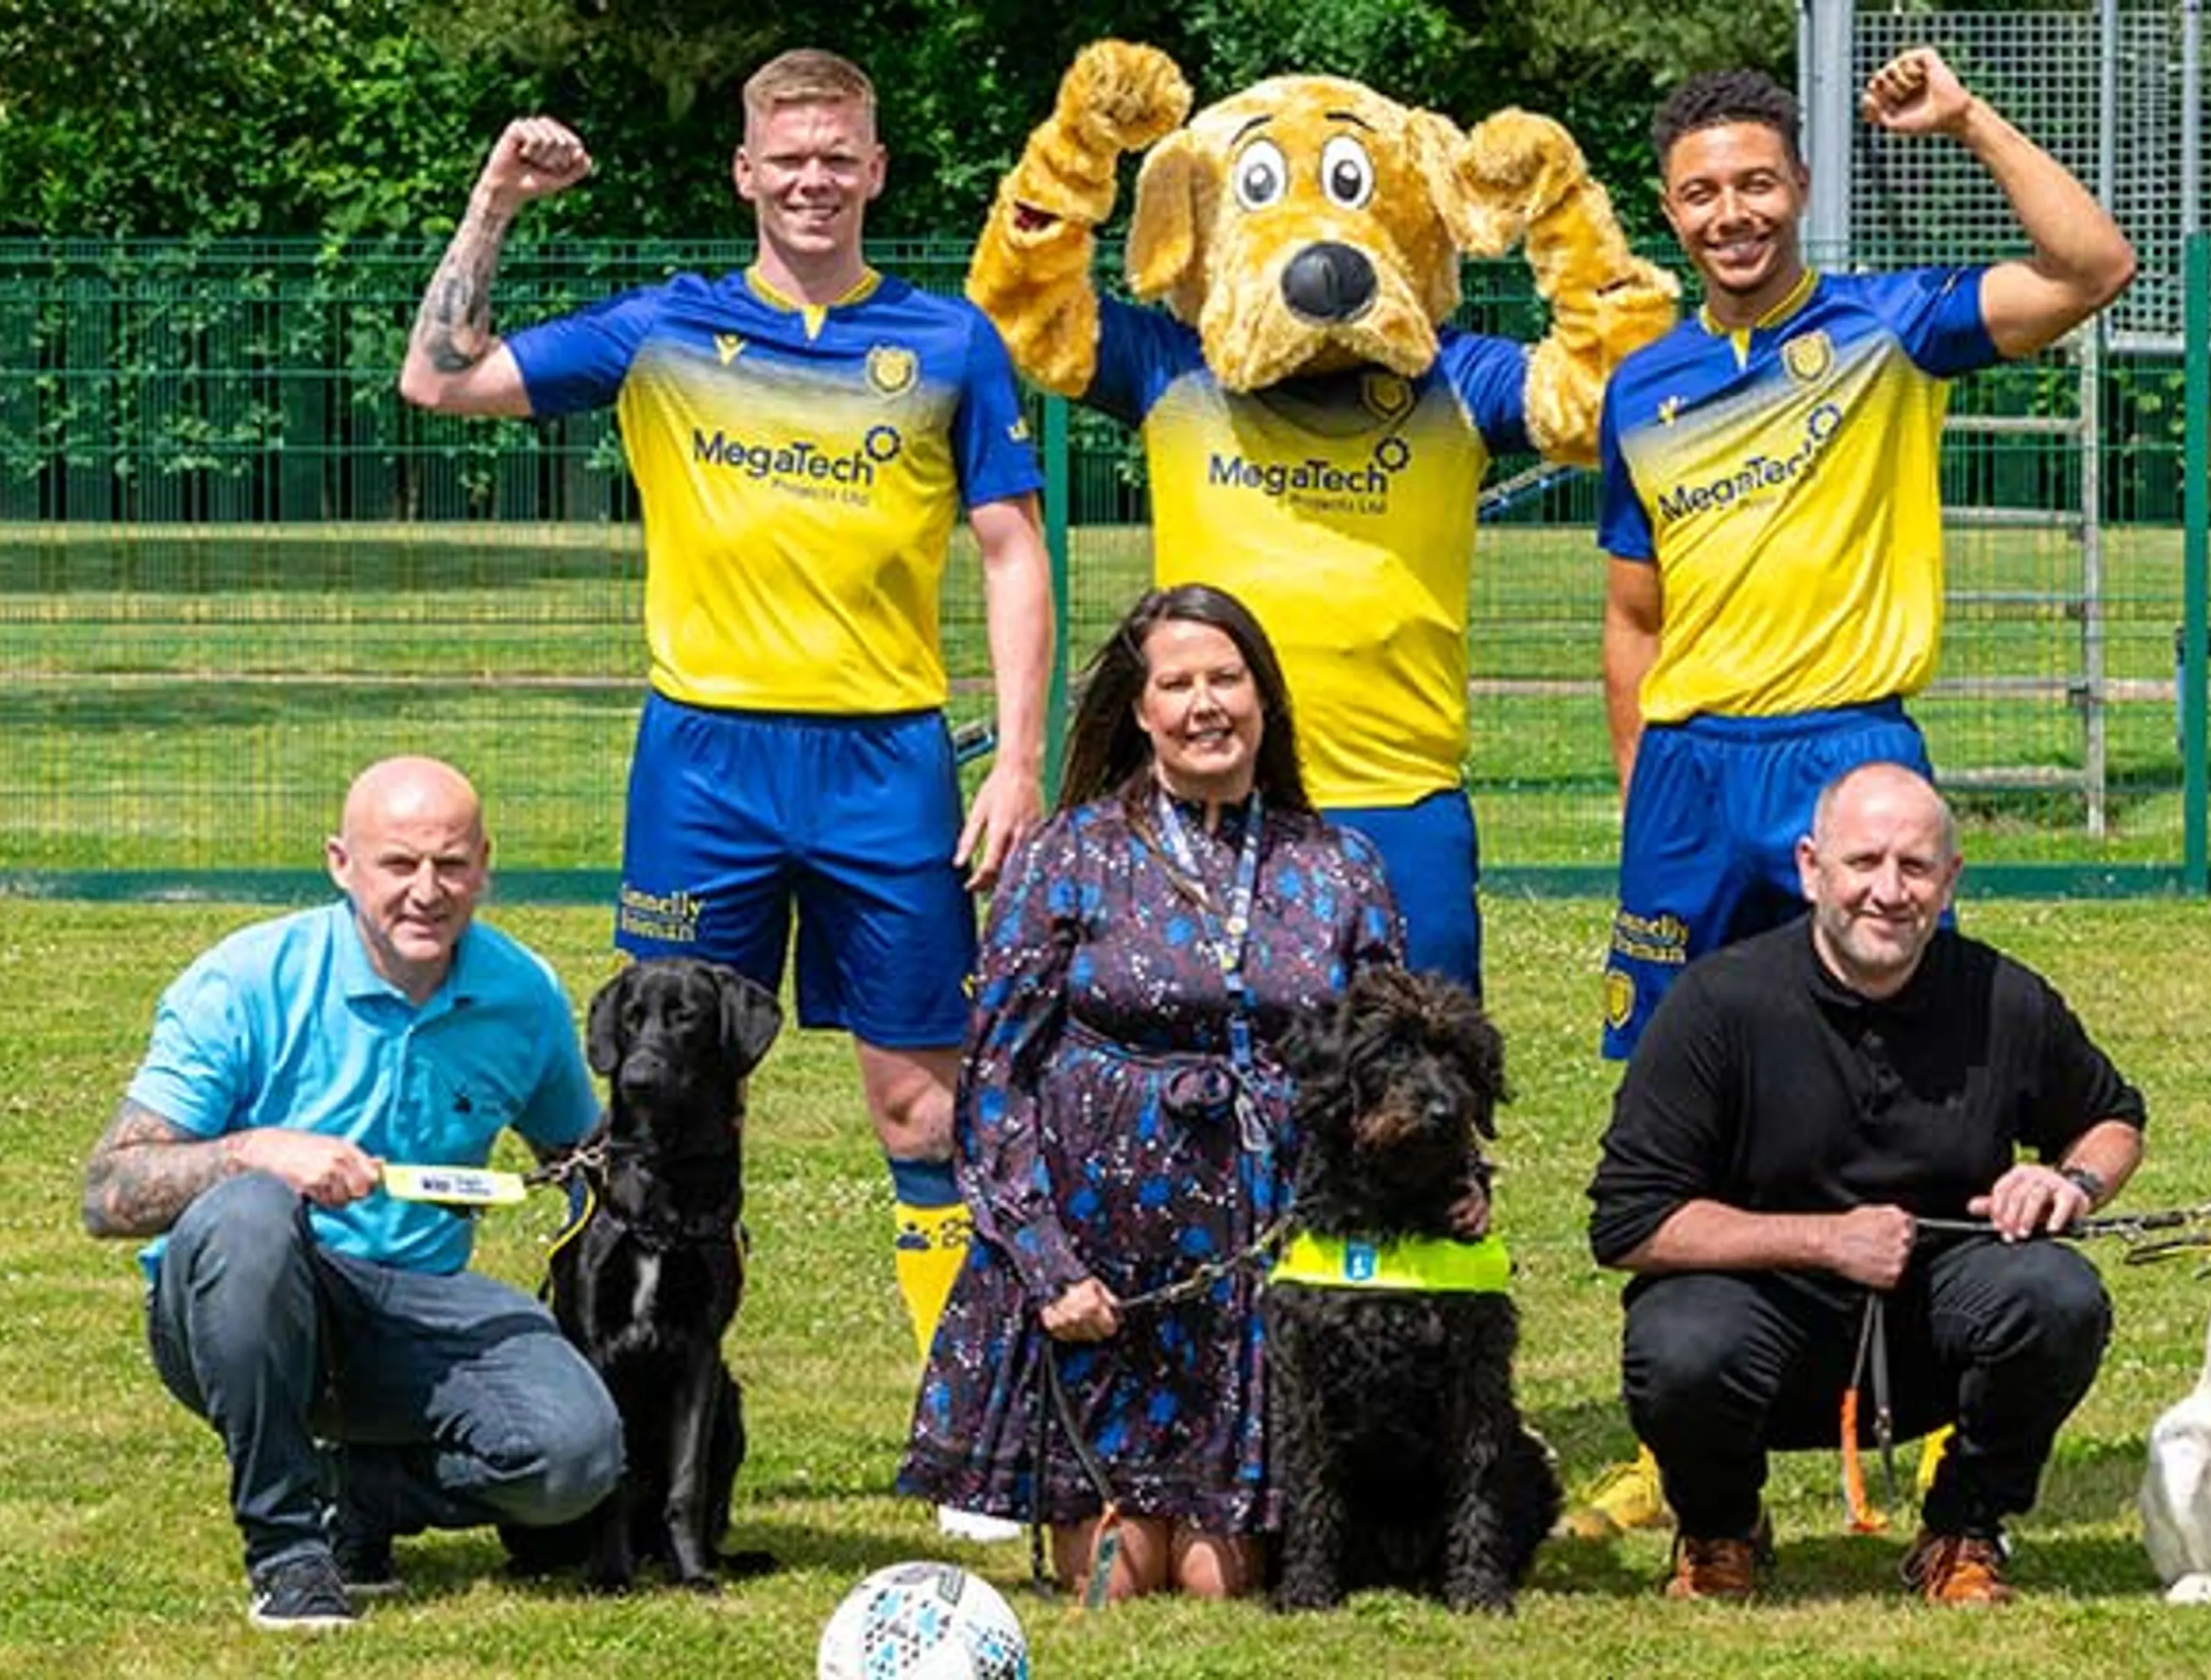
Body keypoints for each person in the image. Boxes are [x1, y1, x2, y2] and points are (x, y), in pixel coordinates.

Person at [395, 49, 1057, 1397]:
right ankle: (640, 1413)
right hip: (705, 763)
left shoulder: (948, 342)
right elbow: (437, 378)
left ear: (874, 172)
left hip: (890, 762)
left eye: (838, 158)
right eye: (788, 158)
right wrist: (496, 201)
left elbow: (1010, 548)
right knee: (667, 1098)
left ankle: (962, 1426)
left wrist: (1022, 757)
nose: (814, 181)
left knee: (924, 1106)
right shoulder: (665, 330)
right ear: (746, 172)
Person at [1571, 48, 2138, 1542]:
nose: (1732, 214)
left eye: (1757, 182)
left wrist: (1964, 122)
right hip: (1689, 773)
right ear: (1670, 210)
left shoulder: (1888, 327)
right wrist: (1648, 792)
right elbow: (1634, 617)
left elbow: (2094, 264)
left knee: (1897, 1047)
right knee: (1666, 1094)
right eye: (1701, 193)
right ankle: (1687, 1440)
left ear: (1801, 187)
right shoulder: (1645, 381)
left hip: (1844, 746)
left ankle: (1937, 1349)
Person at [899, 584, 1403, 1601]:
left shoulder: (1341, 867)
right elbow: (996, 1082)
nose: (1205, 704)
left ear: (1266, 699)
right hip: (1102, 1282)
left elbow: (1393, 1069)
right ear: (1140, 710)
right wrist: (1047, 1271)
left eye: (1228, 678)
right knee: (1117, 1583)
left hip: (1266, 1276)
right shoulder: (1067, 856)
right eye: (1178, 683)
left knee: (1221, 1583)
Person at [1583, 762, 2146, 1604]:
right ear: (1812, 868)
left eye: (1915, 867)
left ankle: (1963, 1528)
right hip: (1756, 1314)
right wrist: (1825, 1240)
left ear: (1950, 879)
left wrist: (2070, 1183)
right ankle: (1721, 1529)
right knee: (1681, 1348)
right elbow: (1628, 1224)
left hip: (1936, 1327)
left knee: (2057, 1295)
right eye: (1864, 863)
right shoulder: (1717, 1004)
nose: (1889, 891)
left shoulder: (2002, 996)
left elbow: (2114, 1120)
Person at [80, 758, 622, 1631]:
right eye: (398, 865)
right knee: (251, 1213)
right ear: (341, 863)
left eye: (450, 865)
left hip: (420, 1304)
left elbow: (584, 1158)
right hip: (242, 1305)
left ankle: (361, 1493)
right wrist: (256, 1152)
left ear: (486, 863)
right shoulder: (244, 981)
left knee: (578, 1460)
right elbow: (108, 1193)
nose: (427, 892)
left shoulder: (523, 995)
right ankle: (290, 1554)